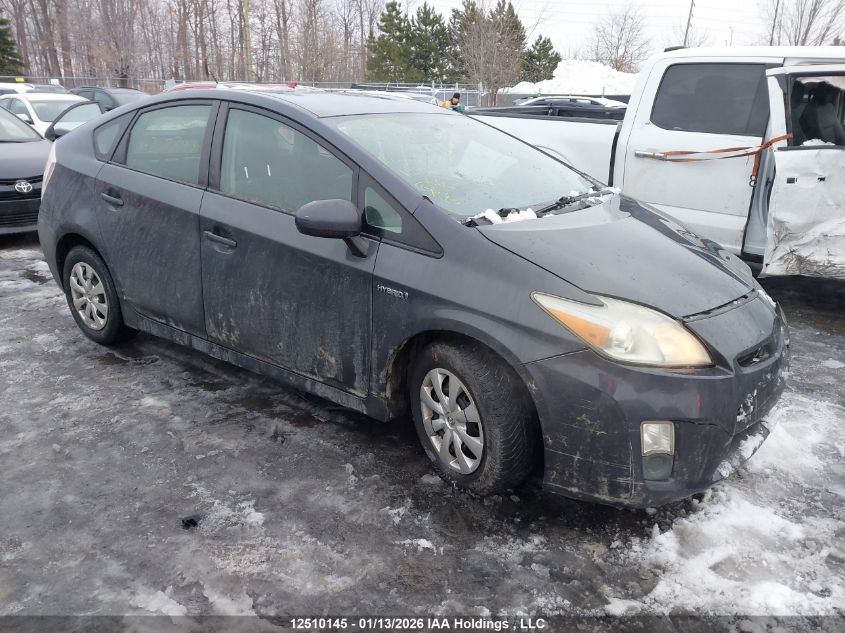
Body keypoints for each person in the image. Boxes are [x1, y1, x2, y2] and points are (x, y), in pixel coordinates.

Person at [799, 81, 845, 146]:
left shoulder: (829, 107)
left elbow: (839, 132)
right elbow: (819, 138)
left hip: (835, 148)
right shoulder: (810, 111)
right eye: (832, 91)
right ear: (821, 91)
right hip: (824, 150)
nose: (835, 94)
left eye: (836, 92)